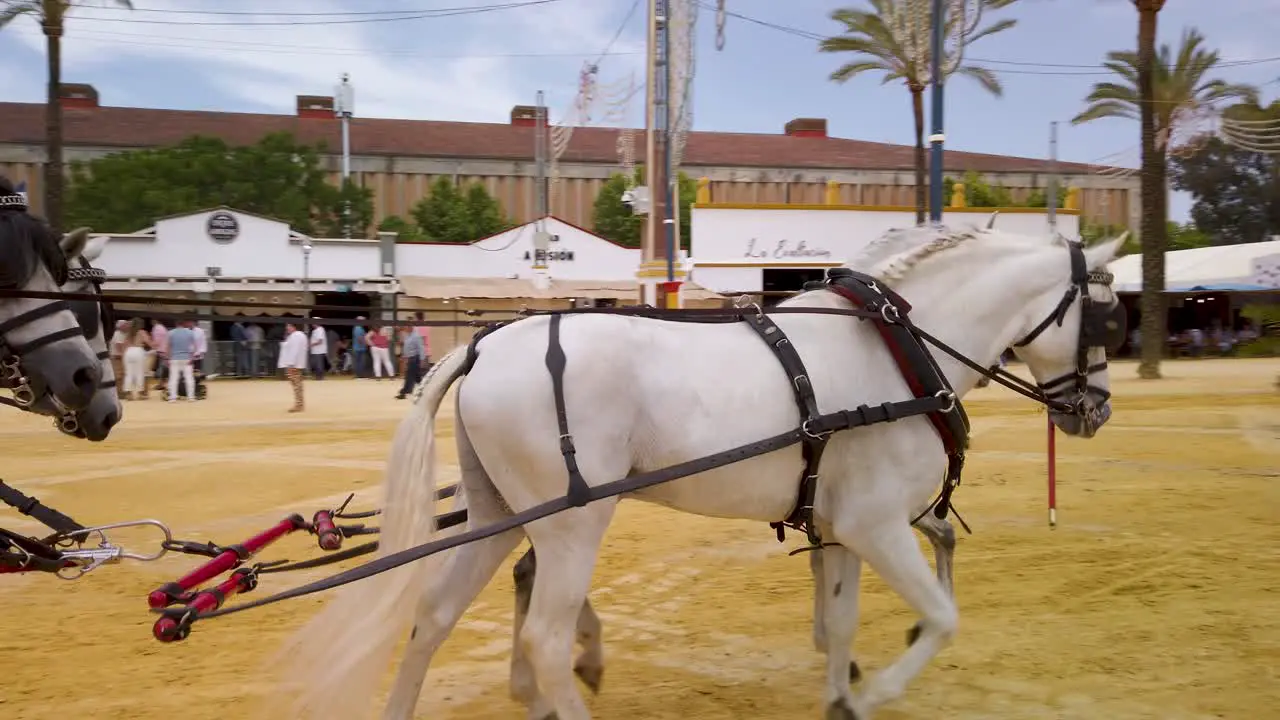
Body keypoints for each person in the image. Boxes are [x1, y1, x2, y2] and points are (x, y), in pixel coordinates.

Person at [278, 322, 309, 412]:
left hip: (294, 364)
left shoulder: (295, 336)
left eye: (288, 326)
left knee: (296, 385)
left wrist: (291, 364)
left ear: (293, 326)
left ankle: (299, 405)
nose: (287, 328)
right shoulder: (301, 335)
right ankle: (300, 404)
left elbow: (293, 350)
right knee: (298, 385)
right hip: (298, 363)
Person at [121, 317, 152, 400]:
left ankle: (128, 393)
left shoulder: (129, 332)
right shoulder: (142, 332)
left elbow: (124, 344)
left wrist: (123, 354)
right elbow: (149, 342)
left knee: (129, 373)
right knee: (139, 373)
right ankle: (140, 393)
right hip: (138, 351)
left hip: (128, 351)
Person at [166, 320, 197, 402]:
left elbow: (168, 347)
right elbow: (194, 346)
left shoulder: (170, 333)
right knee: (189, 378)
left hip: (174, 358)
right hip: (186, 358)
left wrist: (168, 358)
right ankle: (191, 397)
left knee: (173, 378)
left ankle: (173, 397)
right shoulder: (190, 332)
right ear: (184, 324)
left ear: (176, 324)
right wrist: (192, 357)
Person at [396, 325, 426, 400]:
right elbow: (406, 347)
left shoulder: (416, 336)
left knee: (409, 376)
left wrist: (422, 359)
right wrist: (404, 356)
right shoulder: (408, 336)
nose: (405, 329)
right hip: (410, 358)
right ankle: (425, 390)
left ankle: (404, 392)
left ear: (410, 327)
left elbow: (421, 348)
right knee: (417, 377)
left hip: (415, 359)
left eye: (406, 327)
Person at [108, 319, 128, 399]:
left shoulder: (122, 334)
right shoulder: (118, 334)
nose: (127, 326)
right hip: (117, 357)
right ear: (121, 326)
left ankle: (121, 392)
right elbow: (118, 347)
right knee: (118, 376)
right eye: (125, 325)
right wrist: (124, 356)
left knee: (121, 375)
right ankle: (119, 393)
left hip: (119, 357)